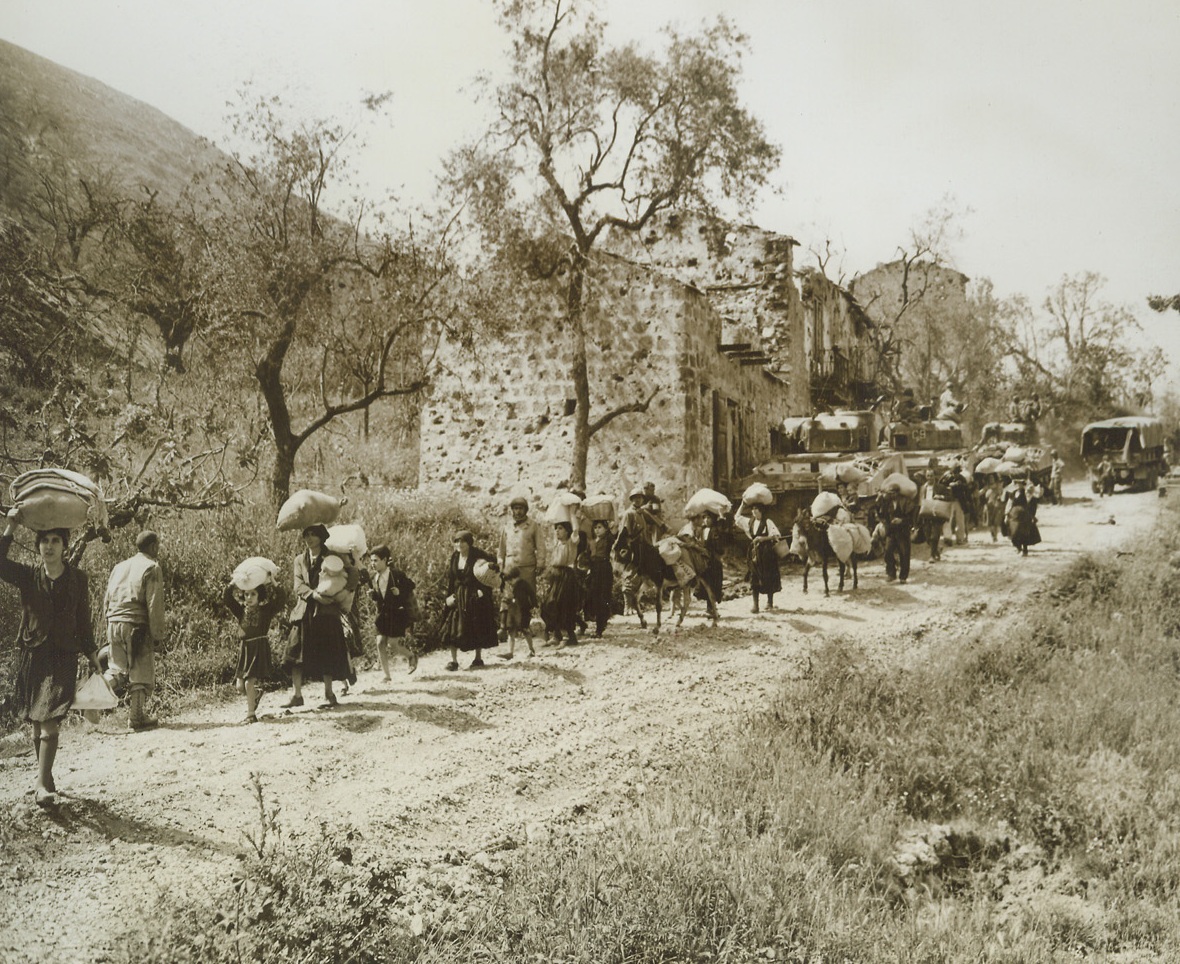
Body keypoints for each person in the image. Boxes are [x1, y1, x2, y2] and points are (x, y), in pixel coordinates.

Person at [0, 509, 99, 807]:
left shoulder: (77, 579)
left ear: (64, 545)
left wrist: (92, 654)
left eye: (56, 540)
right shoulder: (28, 575)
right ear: (39, 545)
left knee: (50, 722)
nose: (49, 546)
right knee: (35, 720)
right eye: (45, 540)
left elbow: (83, 621)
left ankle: (41, 783)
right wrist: (11, 525)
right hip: (33, 654)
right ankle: (46, 775)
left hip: (63, 657)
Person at [282, 524, 350, 708]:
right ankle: (297, 695)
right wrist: (314, 595)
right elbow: (298, 585)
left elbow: (349, 577)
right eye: (306, 535)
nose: (310, 538)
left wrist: (335, 596)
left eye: (313, 534)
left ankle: (329, 693)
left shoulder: (332, 558)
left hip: (326, 612)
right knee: (295, 651)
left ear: (321, 537)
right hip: (304, 610)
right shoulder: (299, 560)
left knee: (327, 651)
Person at [104, 530, 166, 731]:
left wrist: (109, 624)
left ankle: (89, 696)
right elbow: (154, 604)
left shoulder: (119, 567)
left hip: (114, 621)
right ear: (153, 546)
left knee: (117, 669)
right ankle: (136, 718)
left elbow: (107, 599)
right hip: (136, 625)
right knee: (140, 672)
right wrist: (157, 635)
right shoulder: (152, 567)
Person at [223, 578, 286, 724]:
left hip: (258, 647)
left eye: (253, 594)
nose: (249, 598)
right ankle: (256, 694)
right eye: (246, 594)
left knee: (248, 683)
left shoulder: (266, 610)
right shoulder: (241, 611)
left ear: (260, 596)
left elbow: (281, 599)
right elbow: (227, 599)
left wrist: (275, 583)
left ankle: (251, 715)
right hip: (245, 649)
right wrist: (232, 583)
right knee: (240, 687)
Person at [440, 530, 499, 670]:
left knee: (476, 623)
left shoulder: (477, 556)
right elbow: (452, 579)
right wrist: (448, 596)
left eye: (463, 541)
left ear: (469, 543)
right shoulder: (455, 557)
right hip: (458, 594)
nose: (459, 544)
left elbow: (489, 571)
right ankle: (453, 661)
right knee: (453, 624)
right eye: (456, 541)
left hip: (473, 595)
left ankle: (478, 658)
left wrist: (483, 591)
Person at [367, 544, 418, 680]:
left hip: (396, 614)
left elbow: (411, 585)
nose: (373, 564)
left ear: (385, 560)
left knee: (392, 644)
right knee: (379, 642)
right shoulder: (374, 578)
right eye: (371, 561)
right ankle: (386, 675)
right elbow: (379, 598)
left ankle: (411, 656)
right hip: (382, 615)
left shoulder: (396, 574)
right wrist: (373, 595)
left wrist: (399, 592)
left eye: (376, 560)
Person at [541, 521, 585, 649]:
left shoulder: (571, 542)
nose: (557, 531)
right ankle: (556, 635)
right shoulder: (557, 544)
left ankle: (568, 637)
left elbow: (576, 531)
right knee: (548, 604)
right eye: (556, 529)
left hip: (566, 576)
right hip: (556, 576)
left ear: (567, 531)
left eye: (560, 528)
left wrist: (572, 512)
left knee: (563, 605)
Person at [733, 502, 781, 613]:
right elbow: (737, 517)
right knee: (754, 576)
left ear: (761, 511)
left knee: (768, 576)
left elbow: (777, 535)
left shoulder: (768, 522)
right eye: (753, 509)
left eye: (757, 509)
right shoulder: (750, 522)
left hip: (766, 553)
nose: (754, 511)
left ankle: (769, 602)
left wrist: (763, 538)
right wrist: (742, 504)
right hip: (754, 552)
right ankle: (756, 605)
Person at [497, 496, 546, 593]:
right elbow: (501, 548)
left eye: (521, 508)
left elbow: (541, 547)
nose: (518, 511)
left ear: (526, 510)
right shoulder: (507, 526)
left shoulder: (533, 526)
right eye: (516, 508)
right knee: (510, 596)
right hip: (510, 568)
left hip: (527, 569)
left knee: (528, 596)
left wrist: (540, 564)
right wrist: (501, 564)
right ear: (512, 510)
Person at [679, 511, 723, 606]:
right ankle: (710, 607)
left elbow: (718, 547)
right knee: (705, 583)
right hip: (703, 559)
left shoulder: (715, 531)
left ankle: (712, 607)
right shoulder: (700, 530)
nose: (706, 520)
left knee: (712, 583)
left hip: (713, 559)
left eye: (709, 518)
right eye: (705, 518)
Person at [583, 518, 616, 638]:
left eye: (600, 527)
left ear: (606, 529)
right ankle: (593, 621)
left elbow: (615, 539)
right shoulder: (592, 541)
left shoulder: (608, 539)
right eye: (595, 527)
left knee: (603, 597)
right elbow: (587, 556)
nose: (597, 530)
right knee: (592, 596)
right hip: (594, 570)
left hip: (604, 570)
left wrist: (613, 527)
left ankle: (600, 628)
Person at [498, 566, 537, 659]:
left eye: (510, 580)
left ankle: (531, 649)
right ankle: (510, 652)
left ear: (516, 577)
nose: (509, 582)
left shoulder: (524, 584)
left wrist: (534, 606)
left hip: (523, 610)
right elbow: (507, 598)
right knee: (511, 630)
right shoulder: (510, 586)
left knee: (525, 629)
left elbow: (532, 594)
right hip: (513, 610)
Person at [875, 489, 913, 583]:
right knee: (888, 551)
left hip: (902, 531)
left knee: (904, 553)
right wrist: (878, 500)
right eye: (890, 493)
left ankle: (903, 577)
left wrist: (901, 520)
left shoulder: (905, 502)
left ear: (898, 492)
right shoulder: (886, 503)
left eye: (894, 492)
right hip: (891, 531)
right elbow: (881, 514)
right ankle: (891, 573)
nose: (892, 495)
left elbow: (912, 517)